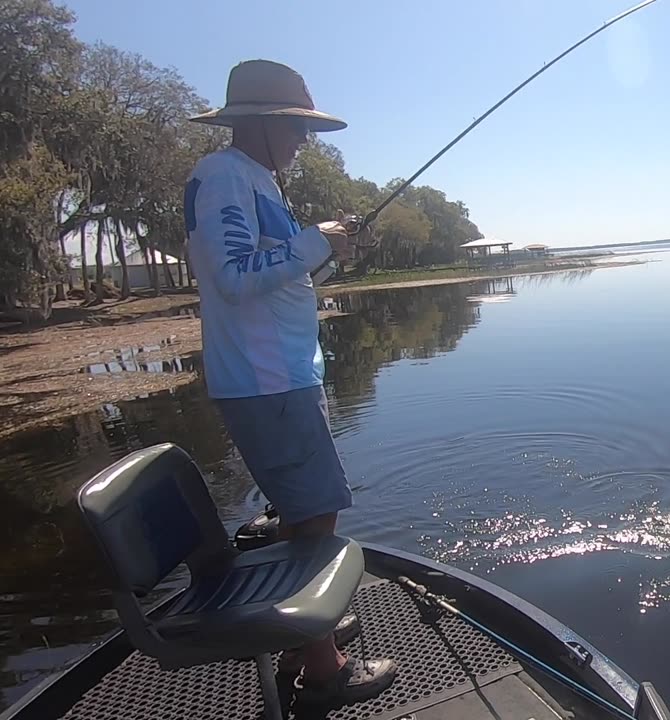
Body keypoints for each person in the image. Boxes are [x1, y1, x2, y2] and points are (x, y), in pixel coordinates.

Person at [184, 59, 396, 707]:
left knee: (300, 512)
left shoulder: (255, 181)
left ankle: (302, 628)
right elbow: (237, 274)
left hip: (281, 378)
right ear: (262, 123)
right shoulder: (222, 175)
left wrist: (329, 253)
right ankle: (323, 671)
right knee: (315, 512)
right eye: (297, 129)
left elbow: (281, 285)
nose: (305, 142)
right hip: (265, 381)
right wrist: (315, 241)